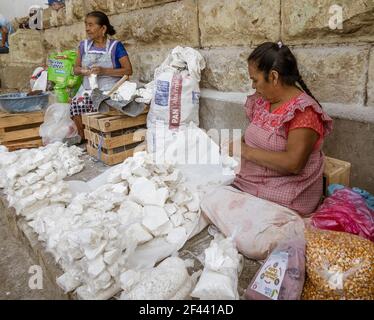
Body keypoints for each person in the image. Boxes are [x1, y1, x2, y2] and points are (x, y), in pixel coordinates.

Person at [229, 41, 333, 216]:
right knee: (206, 195)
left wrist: (244, 151)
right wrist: (236, 144)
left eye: (255, 80)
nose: (253, 86)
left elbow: (294, 164)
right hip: (250, 182)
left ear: (274, 77)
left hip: (287, 195)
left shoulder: (304, 112)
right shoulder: (263, 101)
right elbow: (255, 137)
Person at [70, 11, 133, 139]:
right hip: (88, 89)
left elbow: (128, 70)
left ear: (103, 28)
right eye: (86, 25)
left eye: (91, 25)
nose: (87, 29)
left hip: (111, 89)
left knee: (107, 104)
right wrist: (83, 71)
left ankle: (106, 136)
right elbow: (75, 69)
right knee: (76, 103)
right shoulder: (83, 46)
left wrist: (104, 71)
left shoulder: (116, 46)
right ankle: (84, 138)